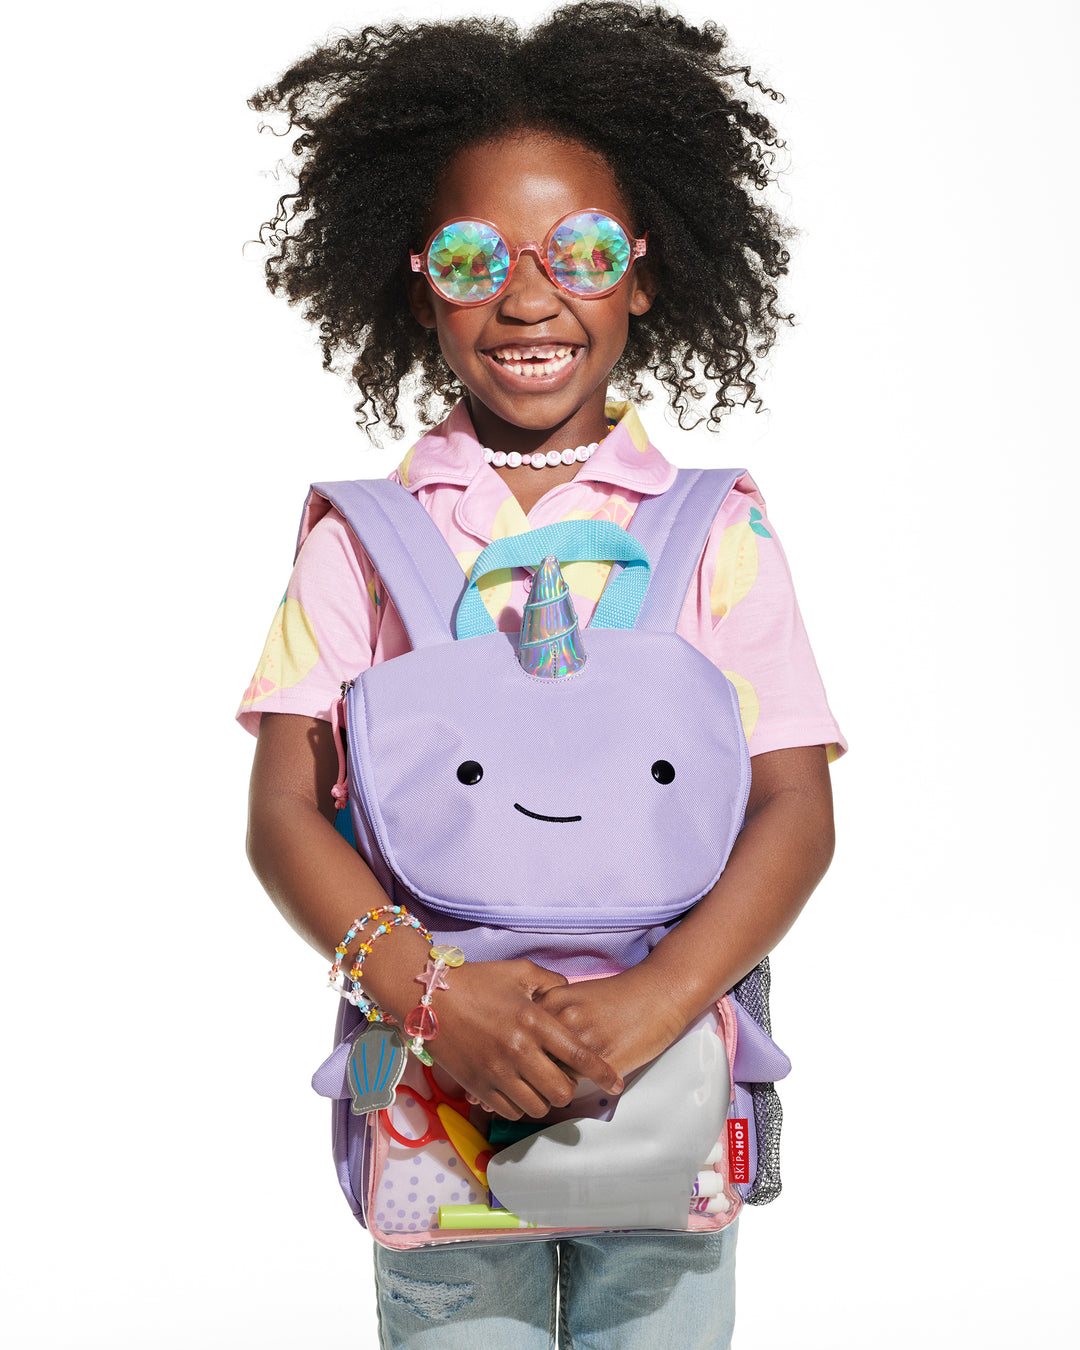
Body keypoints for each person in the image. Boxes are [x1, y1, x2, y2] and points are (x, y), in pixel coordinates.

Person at [239, 5, 843, 1346]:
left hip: (667, 1085)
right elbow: (282, 811)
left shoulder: (714, 530)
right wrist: (430, 995)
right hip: (432, 1090)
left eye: (582, 252)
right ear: (417, 285)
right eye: (473, 257)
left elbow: (796, 807)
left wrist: (652, 1007)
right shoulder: (362, 539)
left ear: (644, 273)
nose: (526, 298)